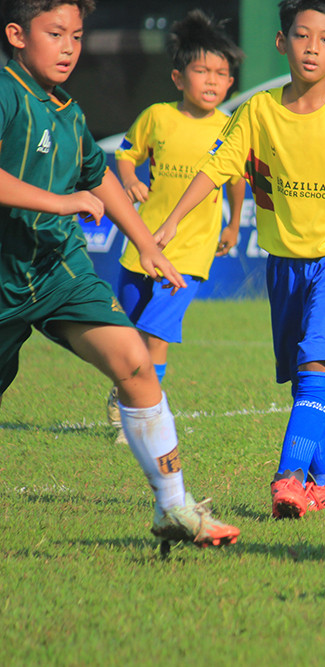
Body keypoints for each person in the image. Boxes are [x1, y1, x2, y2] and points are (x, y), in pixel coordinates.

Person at [157, 0, 325, 520]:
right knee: (304, 380)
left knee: (315, 367)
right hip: (286, 265)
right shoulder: (257, 114)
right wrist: (171, 222)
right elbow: (214, 171)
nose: (312, 48)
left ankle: (289, 479)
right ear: (282, 43)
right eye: (302, 36)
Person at [0, 0, 239, 550]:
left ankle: (174, 508)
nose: (68, 47)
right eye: (54, 33)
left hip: (58, 270)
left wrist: (147, 244)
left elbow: (97, 175)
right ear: (16, 34)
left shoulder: (67, 109)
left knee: (135, 363)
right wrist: (60, 204)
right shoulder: (7, 94)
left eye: (77, 36)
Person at [106, 10, 246, 443]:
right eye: (201, 70)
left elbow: (237, 179)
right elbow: (127, 154)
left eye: (221, 74)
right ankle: (127, 391)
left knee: (156, 330)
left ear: (230, 84)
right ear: (177, 77)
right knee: (131, 332)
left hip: (192, 251)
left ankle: (143, 415)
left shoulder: (231, 128)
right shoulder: (157, 117)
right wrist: (129, 179)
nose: (211, 80)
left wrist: (234, 225)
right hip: (143, 242)